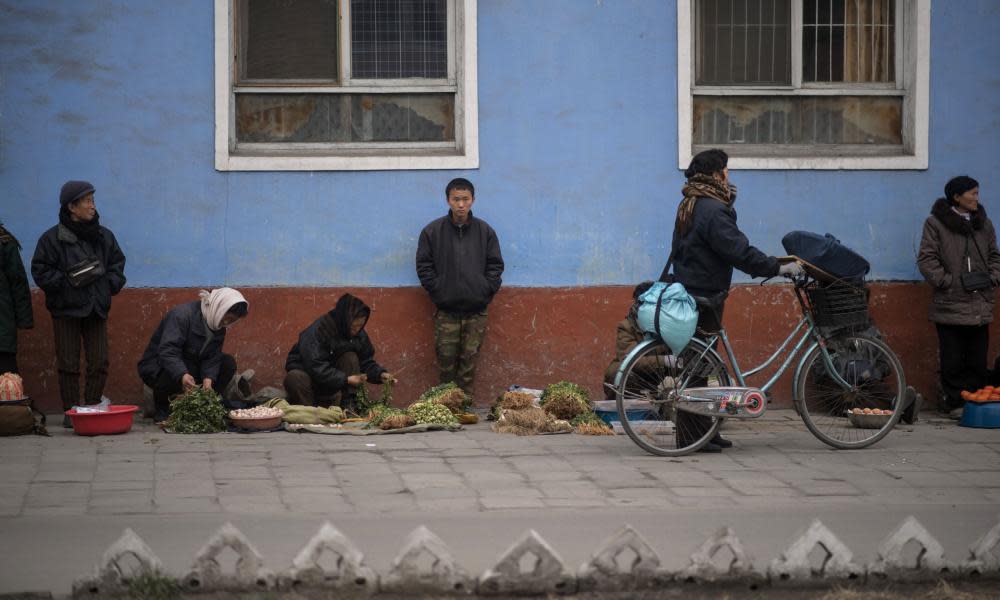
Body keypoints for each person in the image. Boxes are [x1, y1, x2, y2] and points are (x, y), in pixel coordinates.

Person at [666, 149, 802, 452]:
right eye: (726, 170)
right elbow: (737, 250)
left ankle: (704, 432)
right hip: (706, 294)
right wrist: (776, 267)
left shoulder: (692, 202)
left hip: (693, 289)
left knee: (699, 367)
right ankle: (693, 437)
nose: (729, 175)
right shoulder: (712, 210)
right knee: (698, 371)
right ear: (716, 174)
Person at [31, 181, 126, 427]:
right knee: (68, 363)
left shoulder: (104, 236)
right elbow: (40, 270)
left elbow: (117, 263)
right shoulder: (52, 239)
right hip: (66, 310)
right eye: (87, 201)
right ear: (72, 207)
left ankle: (93, 406)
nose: (92, 206)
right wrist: (67, 284)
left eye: (93, 200)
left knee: (99, 361)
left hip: (96, 307)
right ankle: (71, 413)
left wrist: (108, 286)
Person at [917, 176, 1000, 420]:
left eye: (977, 193)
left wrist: (993, 277)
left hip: (979, 302)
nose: (977, 198)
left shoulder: (984, 225)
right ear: (956, 197)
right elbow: (926, 259)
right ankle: (953, 401)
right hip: (950, 302)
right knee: (952, 357)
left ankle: (976, 403)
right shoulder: (935, 224)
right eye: (972, 193)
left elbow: (995, 255)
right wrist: (948, 282)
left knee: (977, 356)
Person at [415, 178, 504, 400]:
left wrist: (484, 290)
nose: (461, 205)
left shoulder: (486, 232)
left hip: (476, 311)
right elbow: (424, 267)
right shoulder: (432, 232)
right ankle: (446, 406)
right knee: (446, 363)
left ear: (473, 200)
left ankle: (464, 407)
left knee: (468, 364)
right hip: (446, 312)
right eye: (456, 199)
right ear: (448, 200)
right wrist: (439, 291)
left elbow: (495, 266)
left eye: (465, 199)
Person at [138, 288, 249, 423]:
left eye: (231, 320)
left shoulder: (217, 325)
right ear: (220, 308)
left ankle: (205, 406)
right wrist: (182, 374)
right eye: (228, 317)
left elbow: (213, 356)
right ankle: (163, 409)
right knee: (174, 367)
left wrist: (209, 380)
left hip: (192, 364)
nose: (226, 322)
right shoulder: (181, 316)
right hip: (159, 366)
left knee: (227, 363)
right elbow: (168, 351)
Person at [283, 293, 394, 411]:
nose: (356, 330)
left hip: (333, 384)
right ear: (344, 320)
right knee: (295, 377)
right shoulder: (318, 331)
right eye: (353, 327)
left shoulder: (358, 334)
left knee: (350, 357)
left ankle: (349, 407)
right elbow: (316, 367)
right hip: (311, 380)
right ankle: (309, 412)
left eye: (360, 326)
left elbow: (366, 362)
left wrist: (380, 375)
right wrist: (346, 379)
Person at [603, 281, 657, 395]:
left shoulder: (665, 324)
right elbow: (632, 360)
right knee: (615, 372)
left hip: (661, 374)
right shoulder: (626, 326)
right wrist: (666, 361)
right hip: (638, 374)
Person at [0, 221, 34, 375]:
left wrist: (24, 319)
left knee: (6, 381)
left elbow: (18, 282)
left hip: (2, 327)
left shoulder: (4, 240)